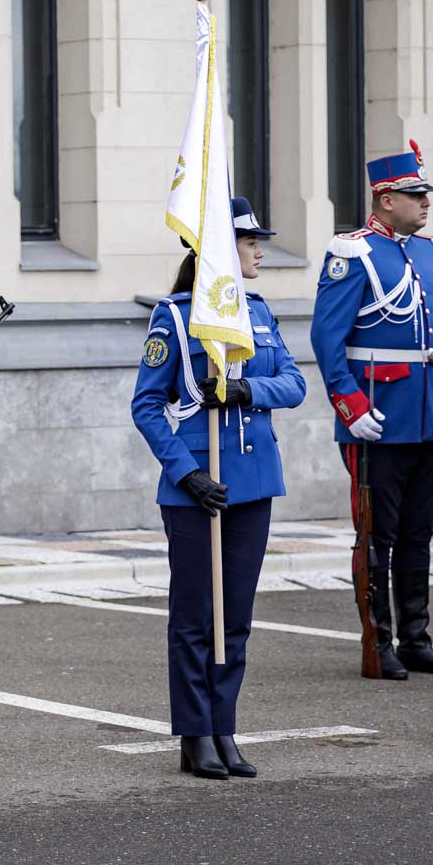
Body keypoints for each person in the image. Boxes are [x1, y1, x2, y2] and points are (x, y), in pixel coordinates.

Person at [130, 198, 306, 780]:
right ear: (219, 252)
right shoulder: (177, 317)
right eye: (249, 241)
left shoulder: (257, 312)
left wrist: (242, 391)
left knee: (236, 617)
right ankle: (195, 734)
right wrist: (187, 472)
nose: (259, 250)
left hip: (252, 482)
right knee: (193, 617)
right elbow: (148, 406)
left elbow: (295, 383)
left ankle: (225, 726)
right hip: (196, 486)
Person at [307, 142, 433, 678]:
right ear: (385, 197)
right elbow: (328, 338)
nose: (425, 203)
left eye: (425, 194)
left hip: (427, 414)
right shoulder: (354, 252)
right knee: (378, 533)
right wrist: (350, 406)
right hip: (377, 415)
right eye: (415, 194)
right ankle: (381, 642)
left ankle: (417, 637)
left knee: (420, 533)